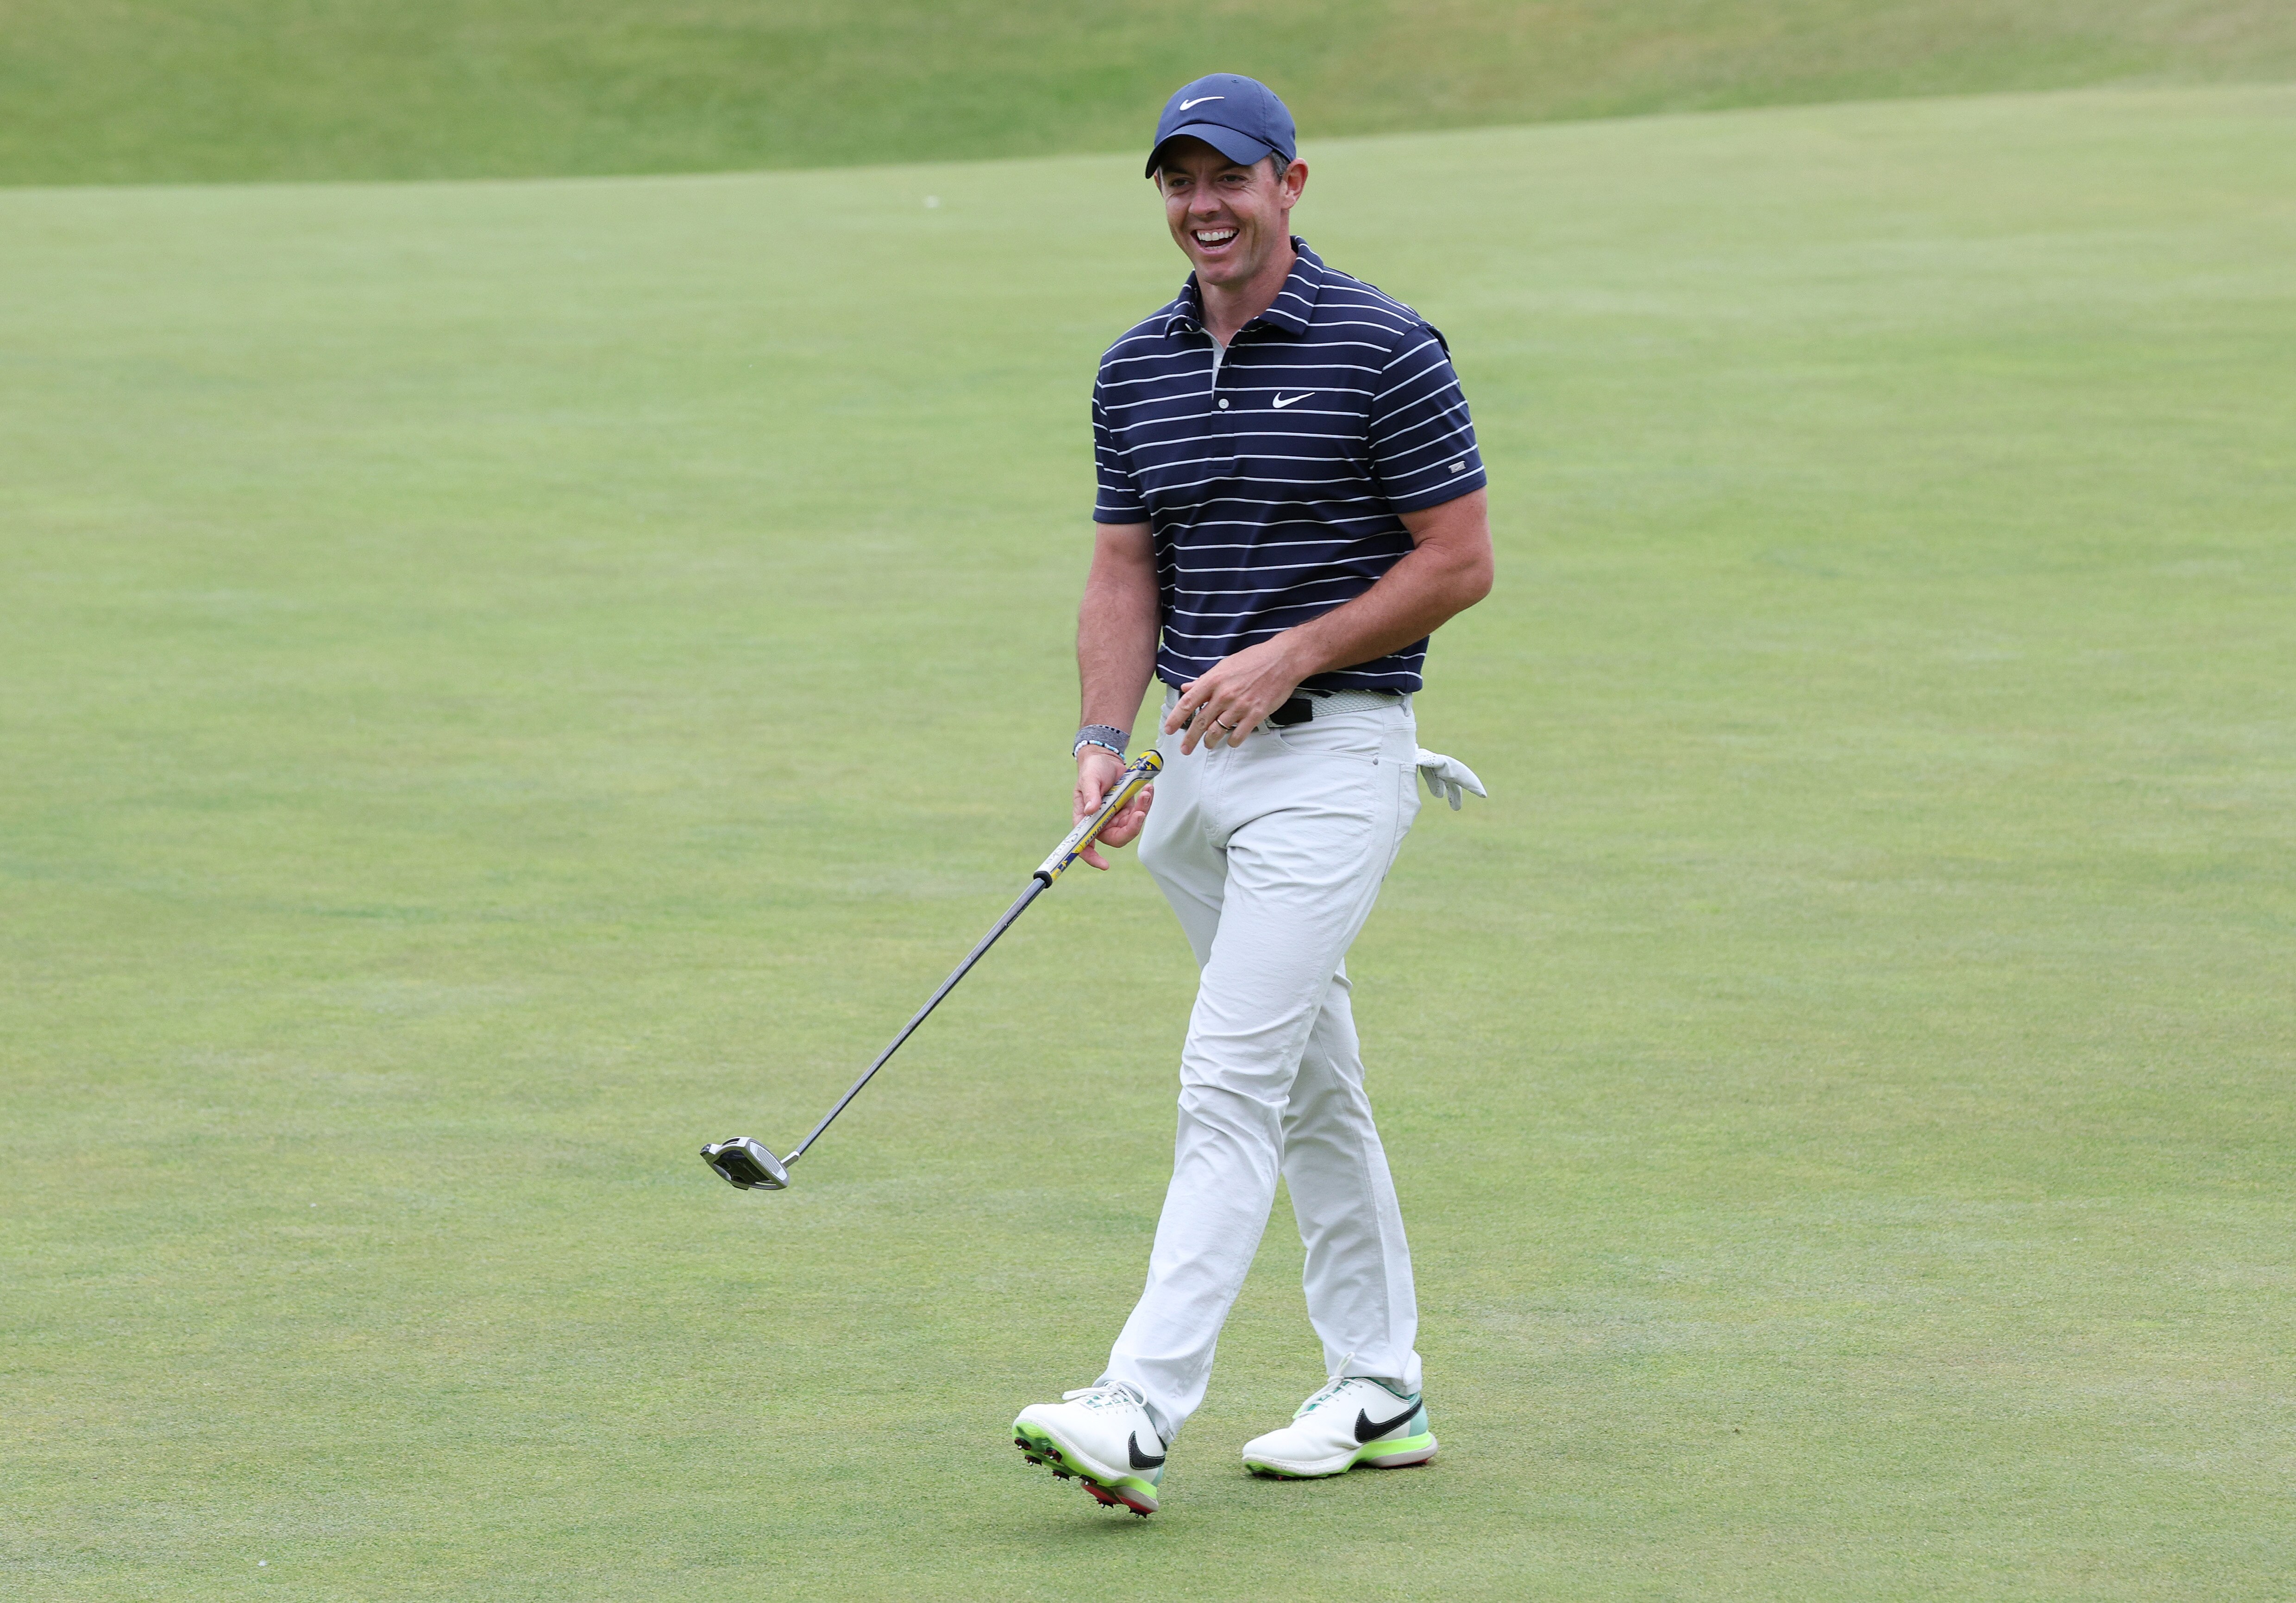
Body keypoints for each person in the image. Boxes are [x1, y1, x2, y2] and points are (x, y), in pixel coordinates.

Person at [1009, 73, 1493, 1517]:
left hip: (1336, 760)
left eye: (1229, 179)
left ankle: (1137, 1404)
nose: (1201, 207)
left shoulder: (1385, 345)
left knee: (1228, 1079)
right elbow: (1124, 566)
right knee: (1305, 1091)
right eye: (1177, 182)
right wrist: (1105, 733)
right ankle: (1380, 1389)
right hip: (1192, 774)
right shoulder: (1135, 366)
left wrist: (1289, 653)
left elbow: (1456, 561)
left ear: (1292, 183)